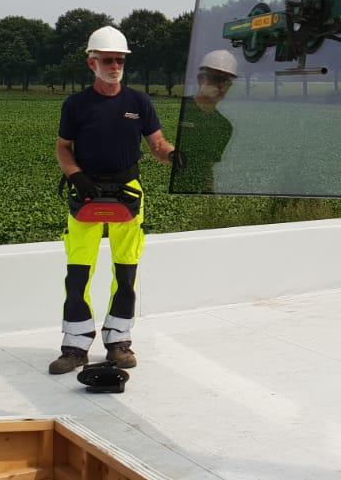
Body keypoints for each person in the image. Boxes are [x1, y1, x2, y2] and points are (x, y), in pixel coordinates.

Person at [49, 25, 176, 375]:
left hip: (128, 192)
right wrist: (76, 176)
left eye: (120, 60)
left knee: (126, 272)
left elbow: (157, 145)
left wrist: (172, 155)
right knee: (78, 274)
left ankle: (118, 341)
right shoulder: (76, 105)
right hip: (85, 192)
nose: (115, 65)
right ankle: (75, 347)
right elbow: (63, 147)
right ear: (92, 63)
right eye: (108, 59)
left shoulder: (139, 102)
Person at [169, 50, 238, 195]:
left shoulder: (224, 127)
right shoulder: (180, 108)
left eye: (227, 82)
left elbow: (208, 167)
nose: (221, 87)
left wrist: (208, 196)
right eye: (215, 79)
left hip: (197, 194)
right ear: (201, 79)